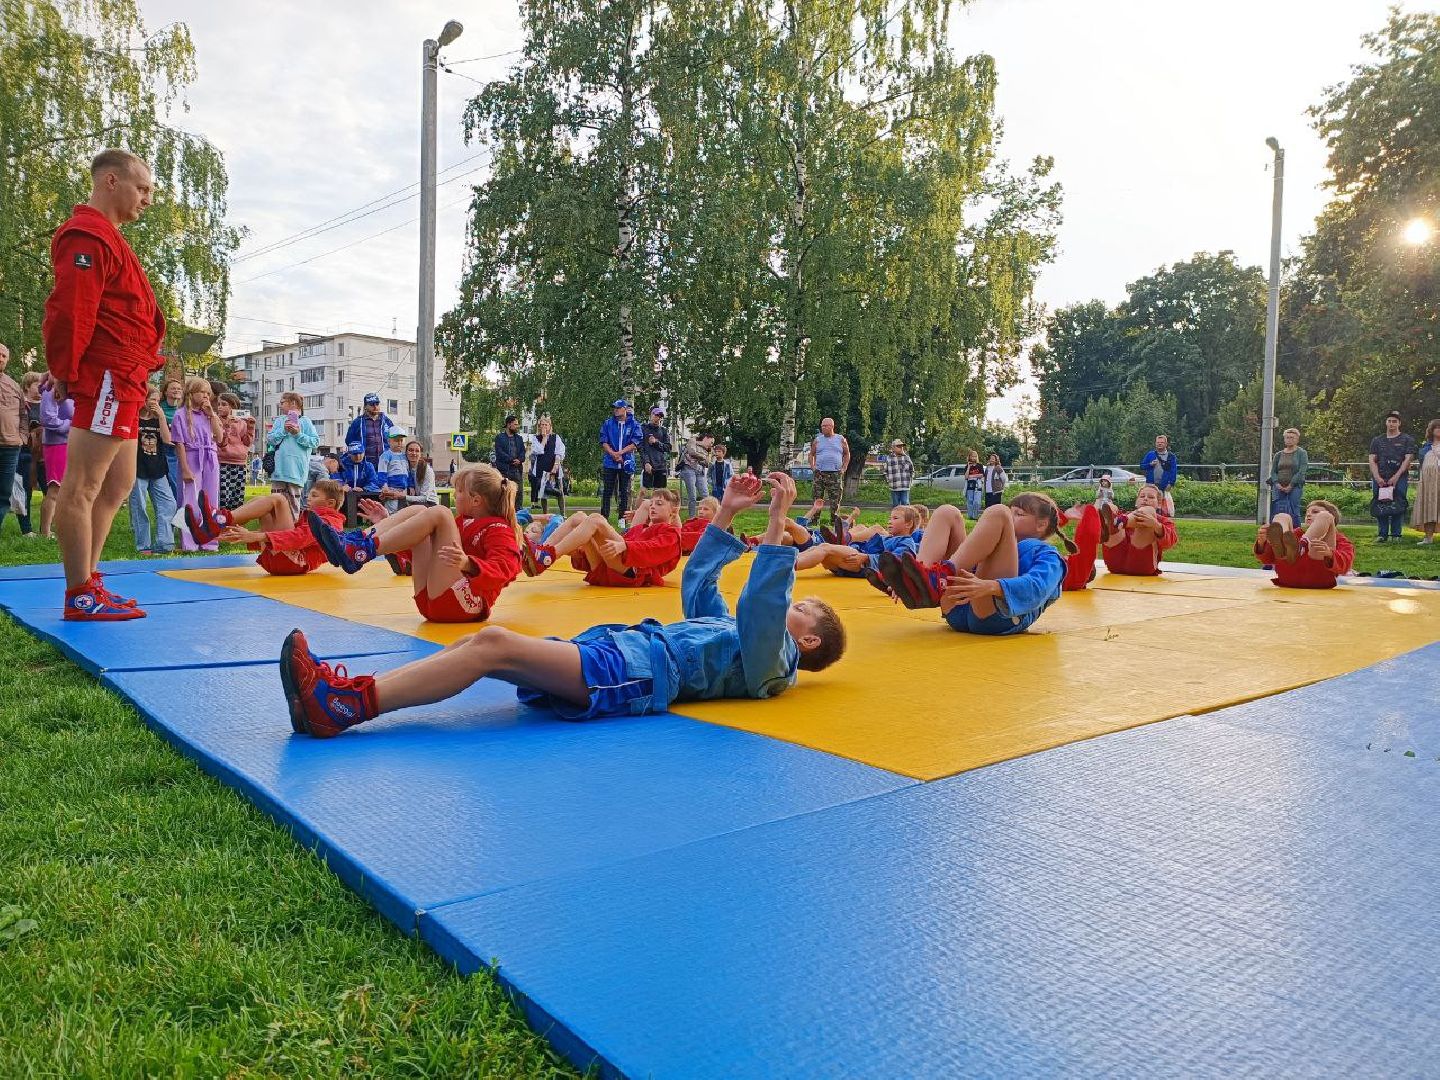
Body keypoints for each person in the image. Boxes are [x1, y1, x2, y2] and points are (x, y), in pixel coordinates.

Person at [278, 471, 846, 738]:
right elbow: (700, 585)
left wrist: (776, 523)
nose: (797, 600)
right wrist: (725, 510)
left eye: (806, 605)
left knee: (492, 645)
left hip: (636, 672)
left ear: (809, 639)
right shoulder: (745, 639)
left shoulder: (776, 666)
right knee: (483, 645)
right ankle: (344, 698)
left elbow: (761, 612)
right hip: (617, 652)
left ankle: (348, 703)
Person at [41, 152, 168, 619]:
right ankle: (80, 594)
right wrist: (65, 368)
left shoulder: (110, 239)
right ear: (111, 181)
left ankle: (90, 580)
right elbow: (71, 309)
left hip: (128, 377)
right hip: (110, 375)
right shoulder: (87, 236)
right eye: (143, 189)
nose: (148, 200)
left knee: (119, 481)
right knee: (82, 486)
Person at [309, 464, 522, 625]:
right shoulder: (460, 524)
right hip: (436, 601)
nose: (454, 495)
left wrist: (468, 564)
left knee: (438, 512)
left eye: (458, 491)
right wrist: (385, 523)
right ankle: (354, 545)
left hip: (466, 604)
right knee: (420, 511)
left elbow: (508, 567)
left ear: (476, 500)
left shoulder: (498, 528)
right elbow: (420, 551)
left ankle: (359, 551)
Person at [866, 495, 1070, 636]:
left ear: (1041, 524)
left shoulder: (1047, 553)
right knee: (947, 512)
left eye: (1018, 514)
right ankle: (917, 582)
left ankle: (937, 579)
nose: (1011, 516)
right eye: (1011, 512)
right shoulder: (989, 543)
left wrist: (992, 587)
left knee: (997, 512)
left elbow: (1038, 586)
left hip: (997, 617)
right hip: (958, 611)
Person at [522, 488, 682, 587]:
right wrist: (579, 548)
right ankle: (541, 553)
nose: (653, 506)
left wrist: (626, 546)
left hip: (633, 570)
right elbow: (612, 543)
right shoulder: (640, 529)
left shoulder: (671, 534)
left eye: (659, 504)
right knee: (579, 517)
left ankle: (546, 557)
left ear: (673, 512)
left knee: (596, 520)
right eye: (652, 504)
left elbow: (653, 549)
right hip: (613, 563)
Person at [187, 479, 346, 577]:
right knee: (261, 501)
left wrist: (257, 537)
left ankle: (220, 520)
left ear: (330, 503)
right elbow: (289, 536)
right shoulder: (316, 518)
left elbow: (298, 538)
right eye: (309, 494)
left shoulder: (329, 523)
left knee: (278, 500)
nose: (308, 498)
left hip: (292, 562)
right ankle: (210, 531)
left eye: (314, 495)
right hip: (285, 562)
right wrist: (248, 536)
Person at [170, 376, 222, 553]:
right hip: (191, 458)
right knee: (190, 499)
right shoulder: (180, 415)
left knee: (210, 499)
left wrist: (212, 414)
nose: (206, 396)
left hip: (210, 458)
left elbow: (219, 437)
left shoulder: (209, 415)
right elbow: (179, 444)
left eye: (208, 393)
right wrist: (184, 468)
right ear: (191, 394)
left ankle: (209, 540)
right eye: (202, 392)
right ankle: (189, 542)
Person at [798, 505, 921, 577]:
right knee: (818, 550)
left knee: (825, 547)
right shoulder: (886, 538)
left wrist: (867, 557)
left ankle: (785, 565)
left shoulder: (906, 541)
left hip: (862, 565)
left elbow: (896, 561)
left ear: (908, 524)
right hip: (855, 561)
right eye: (890, 518)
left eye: (895, 518)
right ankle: (784, 561)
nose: (889, 521)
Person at [1254, 499, 1354, 589]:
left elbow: (1346, 563)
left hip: (1319, 581)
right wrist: (1262, 543)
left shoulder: (1339, 540)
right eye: (1307, 513)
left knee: (1325, 516)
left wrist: (1330, 554)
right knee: (1281, 516)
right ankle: (1284, 543)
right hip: (1288, 580)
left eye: (1315, 512)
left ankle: (1302, 545)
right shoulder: (1294, 535)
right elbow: (1268, 559)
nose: (1309, 515)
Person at [128, 385, 176, 555]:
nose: (156, 403)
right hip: (137, 468)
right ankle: (144, 545)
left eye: (158, 400)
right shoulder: (134, 418)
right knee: (139, 506)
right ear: (143, 400)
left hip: (158, 468)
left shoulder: (158, 418)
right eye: (152, 400)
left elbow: (167, 440)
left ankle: (165, 543)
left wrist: (162, 417)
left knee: (168, 504)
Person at [1099, 484, 1177, 577]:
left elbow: (1169, 543)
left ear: (1159, 503)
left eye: (1151, 497)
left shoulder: (1163, 521)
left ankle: (1120, 523)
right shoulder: (1123, 514)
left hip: (1141, 565)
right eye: (1142, 496)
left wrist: (1156, 525)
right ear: (1136, 501)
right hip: (1115, 563)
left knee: (1148, 511)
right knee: (1111, 507)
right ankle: (1117, 524)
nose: (1145, 499)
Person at [264, 391, 320, 518]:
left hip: (296, 471)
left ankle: (292, 529)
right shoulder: (279, 421)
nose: (280, 405)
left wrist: (298, 434)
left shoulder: (305, 421)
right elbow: (270, 439)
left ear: (293, 403)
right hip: (278, 470)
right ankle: (277, 529)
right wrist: (283, 430)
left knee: (293, 503)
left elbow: (315, 442)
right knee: (276, 502)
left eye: (282, 402)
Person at [1369, 410, 1416, 543]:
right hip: (1380, 478)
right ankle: (1382, 534)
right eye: (1389, 421)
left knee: (1398, 504)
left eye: (1394, 421)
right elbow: (1372, 459)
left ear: (1399, 423)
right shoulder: (1377, 440)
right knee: (1381, 504)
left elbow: (1407, 459)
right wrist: (1377, 477)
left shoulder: (1407, 439)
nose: (1391, 424)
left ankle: (1396, 535)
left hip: (1399, 478)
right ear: (1386, 423)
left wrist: (1396, 476)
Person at [38, 375, 75, 540]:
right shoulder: (51, 386)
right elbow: (47, 418)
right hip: (57, 444)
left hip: (74, 442)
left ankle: (62, 527)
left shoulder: (73, 385)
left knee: (70, 490)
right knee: (55, 489)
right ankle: (45, 532)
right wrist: (71, 424)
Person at [599, 398, 643, 519]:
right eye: (615, 408)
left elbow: (635, 442)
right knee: (607, 492)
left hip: (626, 463)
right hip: (610, 463)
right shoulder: (608, 423)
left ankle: (622, 520)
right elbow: (603, 441)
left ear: (625, 409)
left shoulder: (634, 424)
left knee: (624, 492)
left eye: (618, 408)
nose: (616, 410)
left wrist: (621, 453)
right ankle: (604, 518)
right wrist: (613, 454)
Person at [14, 371, 44, 537]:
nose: (41, 387)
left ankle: (46, 528)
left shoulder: (47, 403)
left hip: (45, 453)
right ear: (27, 386)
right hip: (25, 452)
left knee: (50, 489)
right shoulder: (20, 404)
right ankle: (26, 529)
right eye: (37, 384)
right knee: (25, 490)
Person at [215, 392, 255, 512]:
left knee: (237, 496)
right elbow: (221, 441)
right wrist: (226, 426)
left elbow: (247, 443)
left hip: (239, 463)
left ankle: (234, 521)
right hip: (223, 461)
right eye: (219, 404)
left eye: (224, 404)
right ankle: (221, 522)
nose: (220, 407)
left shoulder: (241, 422)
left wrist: (251, 427)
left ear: (233, 407)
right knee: (223, 495)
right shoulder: (216, 421)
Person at [808, 417, 850, 525]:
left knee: (835, 499)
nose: (823, 428)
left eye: (825, 426)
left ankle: (834, 521)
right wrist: (812, 466)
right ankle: (814, 520)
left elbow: (846, 454)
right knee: (817, 497)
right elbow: (811, 454)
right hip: (820, 473)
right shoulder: (817, 440)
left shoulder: (840, 439)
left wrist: (844, 467)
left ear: (832, 426)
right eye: (822, 426)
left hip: (835, 473)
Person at [1266, 427, 1309, 523]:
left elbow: (1302, 471)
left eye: (1292, 438)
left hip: (1295, 486)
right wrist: (1277, 484)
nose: (1289, 440)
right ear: (1284, 439)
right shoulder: (1278, 454)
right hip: (1278, 486)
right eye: (1287, 437)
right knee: (1277, 510)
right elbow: (1273, 471)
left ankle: (1295, 532)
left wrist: (1291, 485)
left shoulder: (1302, 453)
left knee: (1293, 509)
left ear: (1297, 439)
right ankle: (1276, 532)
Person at [527, 415, 566, 513]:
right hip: (541, 467)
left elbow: (559, 452)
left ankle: (563, 513)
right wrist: (544, 438)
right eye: (542, 425)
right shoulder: (536, 438)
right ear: (539, 426)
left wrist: (555, 466)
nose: (544, 426)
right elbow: (538, 451)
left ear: (550, 426)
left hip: (554, 466)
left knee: (559, 491)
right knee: (543, 493)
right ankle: (545, 514)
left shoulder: (556, 437)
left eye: (546, 424)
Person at [344, 393, 394, 469]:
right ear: (365, 407)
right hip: (365, 466)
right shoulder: (357, 422)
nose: (375, 407)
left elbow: (394, 440)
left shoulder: (386, 421)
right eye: (372, 404)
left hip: (385, 464)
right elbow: (349, 441)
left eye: (377, 404)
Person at [1411, 419, 1440, 545]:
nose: (1439, 429)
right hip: (1427, 483)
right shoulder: (1425, 448)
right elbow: (1422, 465)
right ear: (1431, 430)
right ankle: (1428, 538)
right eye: (1436, 427)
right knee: (1428, 508)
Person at [159, 377, 185, 503]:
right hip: (161, 449)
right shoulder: (159, 408)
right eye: (173, 388)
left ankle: (178, 514)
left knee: (176, 483)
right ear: (165, 392)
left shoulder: (183, 410)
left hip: (178, 451)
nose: (176, 390)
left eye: (179, 388)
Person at [1139, 435, 1178, 516]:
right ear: (1155, 443)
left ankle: (1161, 523)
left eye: (1162, 442)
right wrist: (1150, 464)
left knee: (1161, 506)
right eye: (1158, 442)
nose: (1159, 444)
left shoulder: (1171, 457)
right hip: (1150, 484)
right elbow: (1142, 466)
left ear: (1166, 444)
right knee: (1150, 504)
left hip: (1163, 485)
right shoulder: (1150, 454)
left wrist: (1171, 483)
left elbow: (1173, 471)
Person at [677, 433, 714, 518]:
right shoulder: (692, 440)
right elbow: (692, 452)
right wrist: (703, 457)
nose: (711, 445)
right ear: (706, 438)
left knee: (705, 495)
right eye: (711, 442)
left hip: (700, 472)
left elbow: (707, 463)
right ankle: (692, 518)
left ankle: (708, 517)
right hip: (688, 469)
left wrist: (706, 457)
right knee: (692, 496)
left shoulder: (707, 449)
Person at [639, 406, 672, 492]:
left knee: (659, 495)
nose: (658, 418)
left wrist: (656, 442)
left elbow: (668, 448)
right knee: (646, 494)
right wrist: (646, 462)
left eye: (660, 416)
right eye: (656, 415)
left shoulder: (664, 431)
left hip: (661, 466)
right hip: (648, 465)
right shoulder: (643, 428)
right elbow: (641, 447)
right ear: (650, 415)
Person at [378, 429, 411, 510]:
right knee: (392, 512)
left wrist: (412, 486)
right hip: (391, 489)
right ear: (389, 441)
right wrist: (384, 485)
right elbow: (382, 472)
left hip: (404, 489)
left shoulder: (404, 456)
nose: (399, 443)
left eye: (401, 440)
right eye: (396, 440)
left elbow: (408, 472)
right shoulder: (386, 455)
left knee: (404, 512)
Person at [493, 414, 526, 489]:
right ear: (508, 424)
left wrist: (520, 460)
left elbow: (523, 452)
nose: (517, 426)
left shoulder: (519, 438)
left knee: (518, 495)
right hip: (504, 472)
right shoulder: (499, 438)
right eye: (515, 424)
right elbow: (499, 452)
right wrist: (512, 460)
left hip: (517, 471)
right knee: (503, 494)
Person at [404, 440, 439, 507]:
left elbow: (424, 498)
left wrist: (404, 497)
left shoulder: (427, 470)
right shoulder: (404, 468)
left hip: (429, 503)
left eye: (417, 451)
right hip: (413, 503)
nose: (414, 453)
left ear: (420, 454)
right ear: (406, 453)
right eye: (410, 450)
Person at [884, 439, 914, 506]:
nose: (901, 448)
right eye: (898, 446)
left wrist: (910, 482)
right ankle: (896, 516)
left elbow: (912, 470)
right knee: (896, 505)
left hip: (905, 486)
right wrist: (889, 481)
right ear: (893, 448)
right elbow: (885, 471)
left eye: (902, 446)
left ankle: (906, 517)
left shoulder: (907, 458)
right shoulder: (889, 458)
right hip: (894, 486)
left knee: (905, 503)